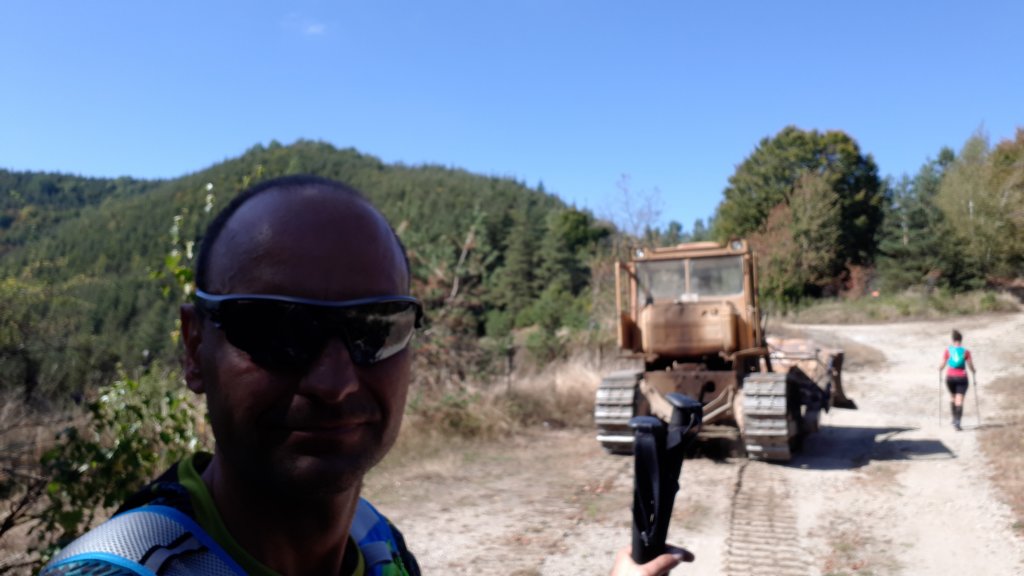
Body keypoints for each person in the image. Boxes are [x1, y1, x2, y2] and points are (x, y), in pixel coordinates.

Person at [42, 175, 688, 576]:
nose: (336, 382)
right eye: (278, 329)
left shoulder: (376, 546)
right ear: (193, 349)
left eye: (376, 327)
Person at [938, 329, 976, 431]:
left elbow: (942, 364)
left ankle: (954, 419)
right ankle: (957, 423)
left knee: (952, 397)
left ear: (953, 340)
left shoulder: (948, 350)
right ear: (961, 340)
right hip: (962, 377)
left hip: (950, 377)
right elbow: (970, 365)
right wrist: (973, 371)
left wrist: (939, 369)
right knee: (959, 400)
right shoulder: (966, 352)